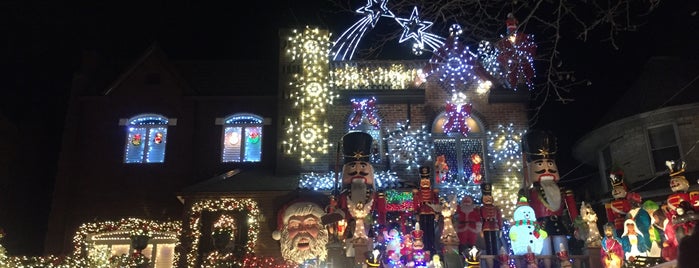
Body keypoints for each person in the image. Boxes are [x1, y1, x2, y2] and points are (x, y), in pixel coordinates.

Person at [522, 130, 578, 255]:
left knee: (562, 250)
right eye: (540, 163)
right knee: (545, 252)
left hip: (559, 224)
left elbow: (573, 212)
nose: (546, 169)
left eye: (550, 163)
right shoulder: (530, 192)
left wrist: (577, 226)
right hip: (540, 226)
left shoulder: (564, 191)